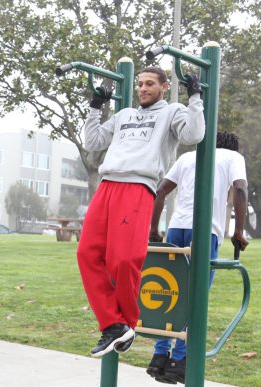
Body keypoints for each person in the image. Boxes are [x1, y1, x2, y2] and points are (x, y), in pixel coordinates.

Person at [80, 66, 205, 357]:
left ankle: (125, 322)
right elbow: (92, 142)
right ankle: (114, 325)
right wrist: (96, 106)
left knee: (124, 259)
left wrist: (195, 96)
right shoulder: (124, 115)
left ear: (163, 86)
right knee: (87, 253)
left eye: (150, 84)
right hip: (107, 184)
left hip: (138, 186)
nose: (143, 88)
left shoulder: (172, 111)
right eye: (140, 84)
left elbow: (194, 134)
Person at [147, 131, 249, 383]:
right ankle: (179, 361)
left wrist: (153, 229)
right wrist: (238, 231)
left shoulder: (188, 157)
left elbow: (160, 191)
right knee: (195, 296)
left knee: (170, 292)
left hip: (176, 228)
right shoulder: (233, 157)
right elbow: (240, 189)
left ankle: (159, 356)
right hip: (204, 230)